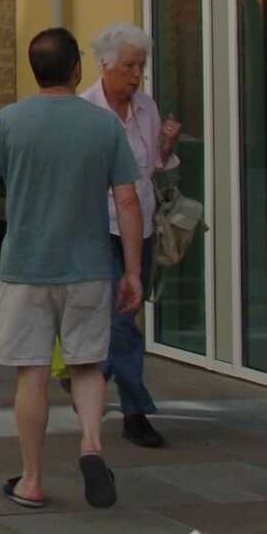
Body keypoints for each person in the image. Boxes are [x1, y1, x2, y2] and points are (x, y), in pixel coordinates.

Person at [0, 26, 143, 512]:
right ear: (77, 70)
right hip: (87, 268)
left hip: (26, 268)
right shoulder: (104, 125)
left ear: (34, 69)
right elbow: (127, 200)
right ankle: (90, 444)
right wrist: (132, 270)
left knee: (33, 375)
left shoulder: (8, 121)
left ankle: (33, 479)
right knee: (87, 364)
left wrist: (11, 214)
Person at [83, 23, 181, 449]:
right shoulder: (86, 111)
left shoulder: (146, 107)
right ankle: (135, 409)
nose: (137, 74)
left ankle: (92, 374)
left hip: (137, 227)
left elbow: (150, 171)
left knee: (122, 318)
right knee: (122, 321)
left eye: (141, 65)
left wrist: (166, 146)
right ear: (106, 64)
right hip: (99, 228)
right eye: (129, 65)